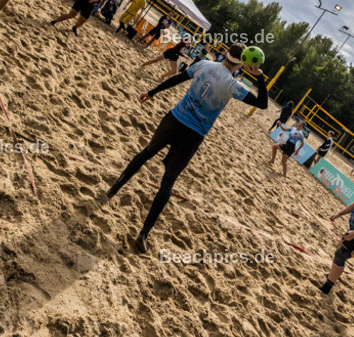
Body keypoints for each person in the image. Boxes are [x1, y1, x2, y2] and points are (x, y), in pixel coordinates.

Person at [105, 44, 268, 251]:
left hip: (173, 119)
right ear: (242, 64)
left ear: (226, 54)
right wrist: (260, 76)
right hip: (193, 134)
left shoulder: (204, 64)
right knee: (168, 181)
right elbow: (262, 103)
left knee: (146, 153)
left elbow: (177, 79)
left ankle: (112, 190)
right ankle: (144, 234)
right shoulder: (232, 85)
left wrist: (152, 92)